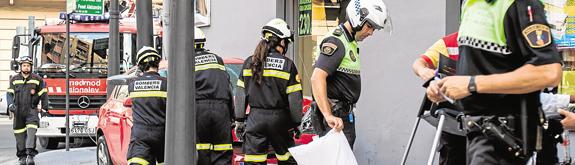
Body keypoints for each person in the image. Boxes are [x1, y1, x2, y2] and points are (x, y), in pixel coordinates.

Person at [426, 0, 562, 164]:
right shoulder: (470, 4)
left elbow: (548, 72)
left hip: (502, 136)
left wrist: (471, 84)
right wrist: (447, 88)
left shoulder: (519, 3)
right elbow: (483, 68)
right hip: (472, 133)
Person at [310, 0, 392, 148]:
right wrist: (328, 115)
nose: (371, 33)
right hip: (336, 119)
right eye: (369, 26)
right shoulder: (337, 41)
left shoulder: (349, 42)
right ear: (357, 19)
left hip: (344, 115)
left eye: (374, 29)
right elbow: (317, 78)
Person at [234, 18, 302, 165]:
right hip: (280, 121)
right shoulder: (288, 65)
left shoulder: (249, 63)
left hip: (255, 120)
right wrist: (297, 123)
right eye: (287, 42)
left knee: (254, 162)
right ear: (281, 41)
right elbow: (295, 100)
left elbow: (239, 95)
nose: (287, 45)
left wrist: (239, 121)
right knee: (287, 160)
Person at [411, 32, 466, 165]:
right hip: (452, 122)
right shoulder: (449, 43)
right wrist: (423, 71)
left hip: (483, 121)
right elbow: (418, 63)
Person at [193, 27, 234, 165]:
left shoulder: (187, 61)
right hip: (221, 110)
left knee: (201, 151)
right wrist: (232, 116)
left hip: (199, 110)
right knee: (222, 151)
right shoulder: (218, 60)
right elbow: (228, 88)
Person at [126, 47, 167, 165]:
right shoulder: (166, 84)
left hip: (141, 137)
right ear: (157, 63)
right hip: (163, 136)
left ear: (140, 66)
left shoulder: (132, 85)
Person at [7, 56, 48, 165]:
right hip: (18, 111)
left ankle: (30, 155)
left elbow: (44, 93)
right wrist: (10, 104)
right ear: (21, 67)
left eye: (28, 65)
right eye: (24, 65)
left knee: (31, 133)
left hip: (32, 110)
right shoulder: (14, 79)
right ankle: (22, 157)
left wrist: (44, 108)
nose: (26, 67)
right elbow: (9, 93)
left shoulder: (37, 79)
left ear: (31, 67)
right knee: (19, 135)